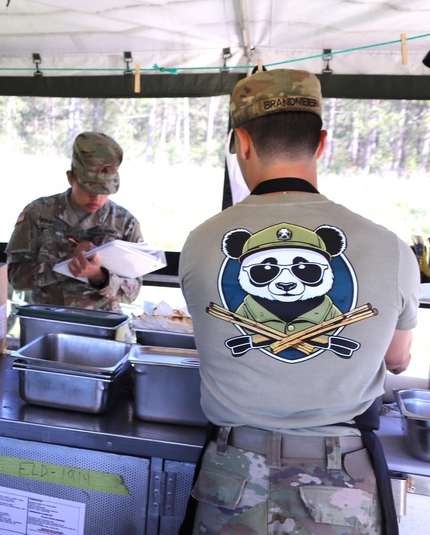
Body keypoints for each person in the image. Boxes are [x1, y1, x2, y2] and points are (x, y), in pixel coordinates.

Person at [179, 69, 417, 535]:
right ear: (321, 142)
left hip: (232, 476)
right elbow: (398, 358)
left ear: (242, 143)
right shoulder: (390, 248)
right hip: (341, 484)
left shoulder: (200, 242)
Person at [6, 131, 144, 309]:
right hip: (48, 318)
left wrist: (98, 276)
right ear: (70, 178)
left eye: (104, 191)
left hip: (102, 324)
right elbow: (16, 278)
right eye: (88, 189)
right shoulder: (38, 213)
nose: (96, 198)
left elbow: (132, 292)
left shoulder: (125, 223)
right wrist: (63, 265)